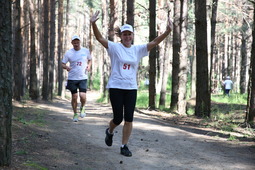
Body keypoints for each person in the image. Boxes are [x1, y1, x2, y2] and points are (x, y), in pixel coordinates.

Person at [90, 11, 173, 157]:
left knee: (129, 118)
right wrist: (93, 24)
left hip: (131, 87)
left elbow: (154, 42)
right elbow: (99, 38)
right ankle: (109, 131)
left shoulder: (138, 49)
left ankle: (124, 146)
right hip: (116, 86)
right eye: (124, 34)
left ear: (132, 35)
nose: (127, 37)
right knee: (118, 118)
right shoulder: (115, 48)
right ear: (120, 36)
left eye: (129, 34)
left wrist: (167, 31)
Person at [62, 35, 92, 122]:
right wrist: (66, 67)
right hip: (72, 78)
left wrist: (89, 66)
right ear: (72, 43)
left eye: (77, 42)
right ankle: (75, 113)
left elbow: (90, 60)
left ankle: (82, 107)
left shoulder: (85, 51)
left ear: (80, 42)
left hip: (82, 77)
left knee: (82, 96)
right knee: (74, 96)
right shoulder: (69, 53)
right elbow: (63, 63)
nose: (76, 44)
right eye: (74, 42)